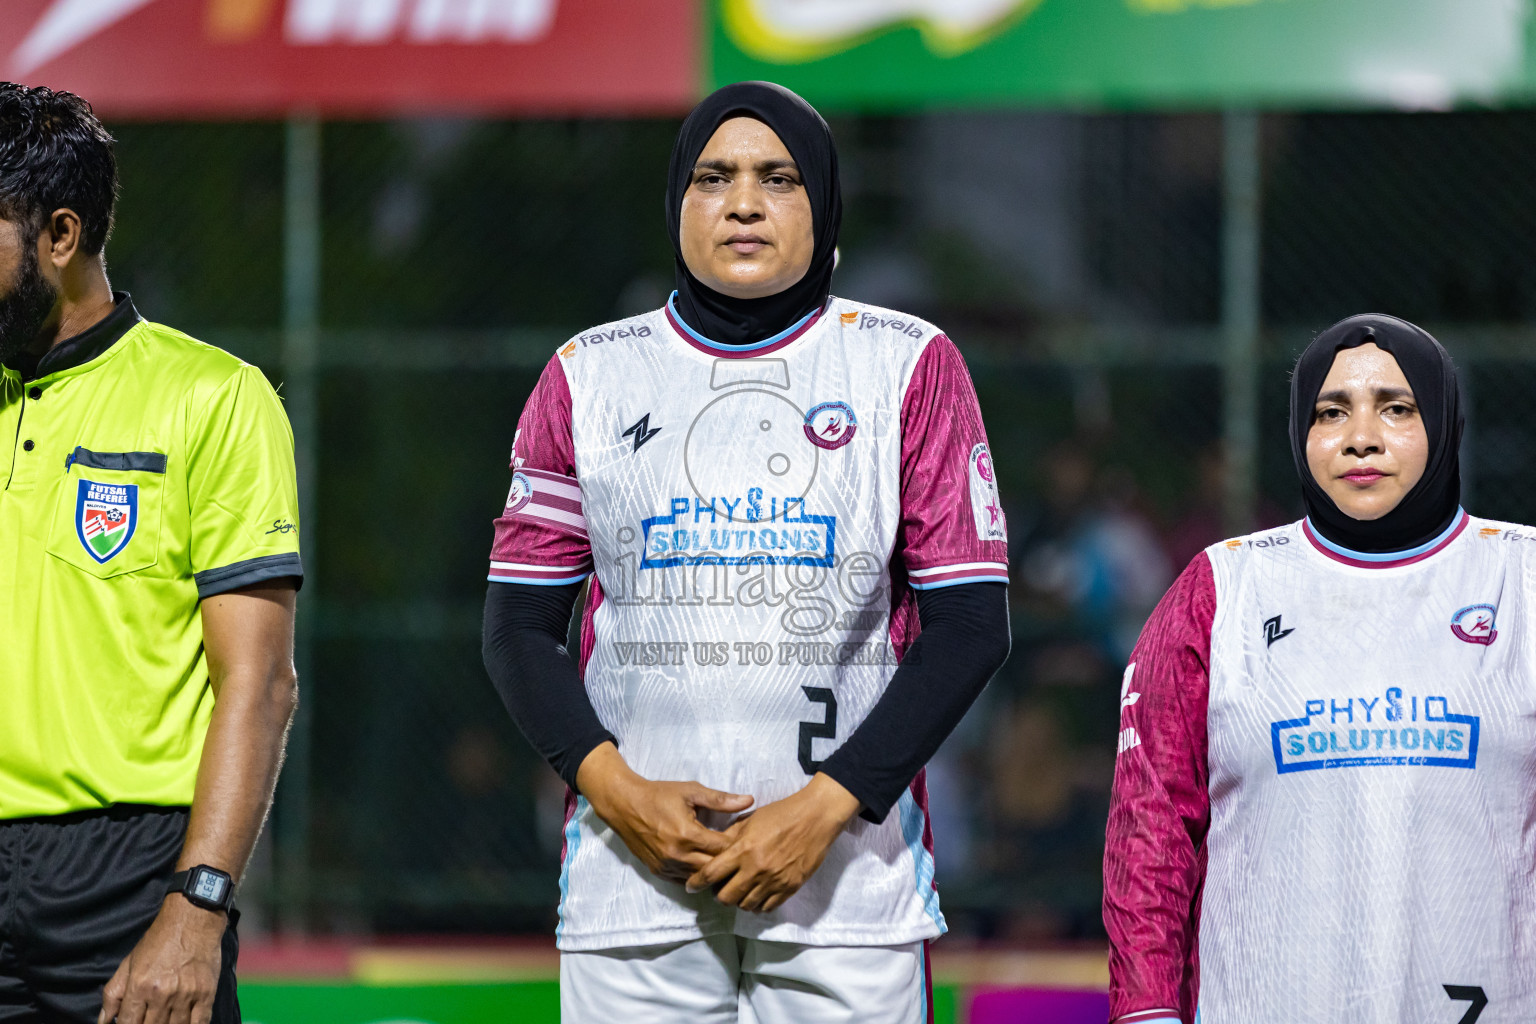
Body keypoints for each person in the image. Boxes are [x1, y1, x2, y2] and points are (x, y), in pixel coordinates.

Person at [482, 81, 1011, 1022]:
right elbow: (518, 628)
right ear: (678, 201)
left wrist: (822, 811)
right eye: (713, 177)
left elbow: (970, 626)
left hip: (849, 891)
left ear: (825, 204)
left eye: (779, 179)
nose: (743, 204)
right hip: (631, 888)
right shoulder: (586, 374)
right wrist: (620, 794)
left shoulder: (909, 364)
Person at [1103, 314, 1536, 1023]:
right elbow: (1149, 837)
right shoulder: (1220, 590)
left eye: (1396, 409)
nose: (1361, 437)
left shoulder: (1522, 578)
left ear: (1445, 422)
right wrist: (1146, 1013)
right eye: (1332, 412)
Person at [0, 84, 303, 1024]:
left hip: (129, 880)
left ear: (60, 235)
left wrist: (197, 907)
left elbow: (259, 684)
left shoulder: (215, 398)